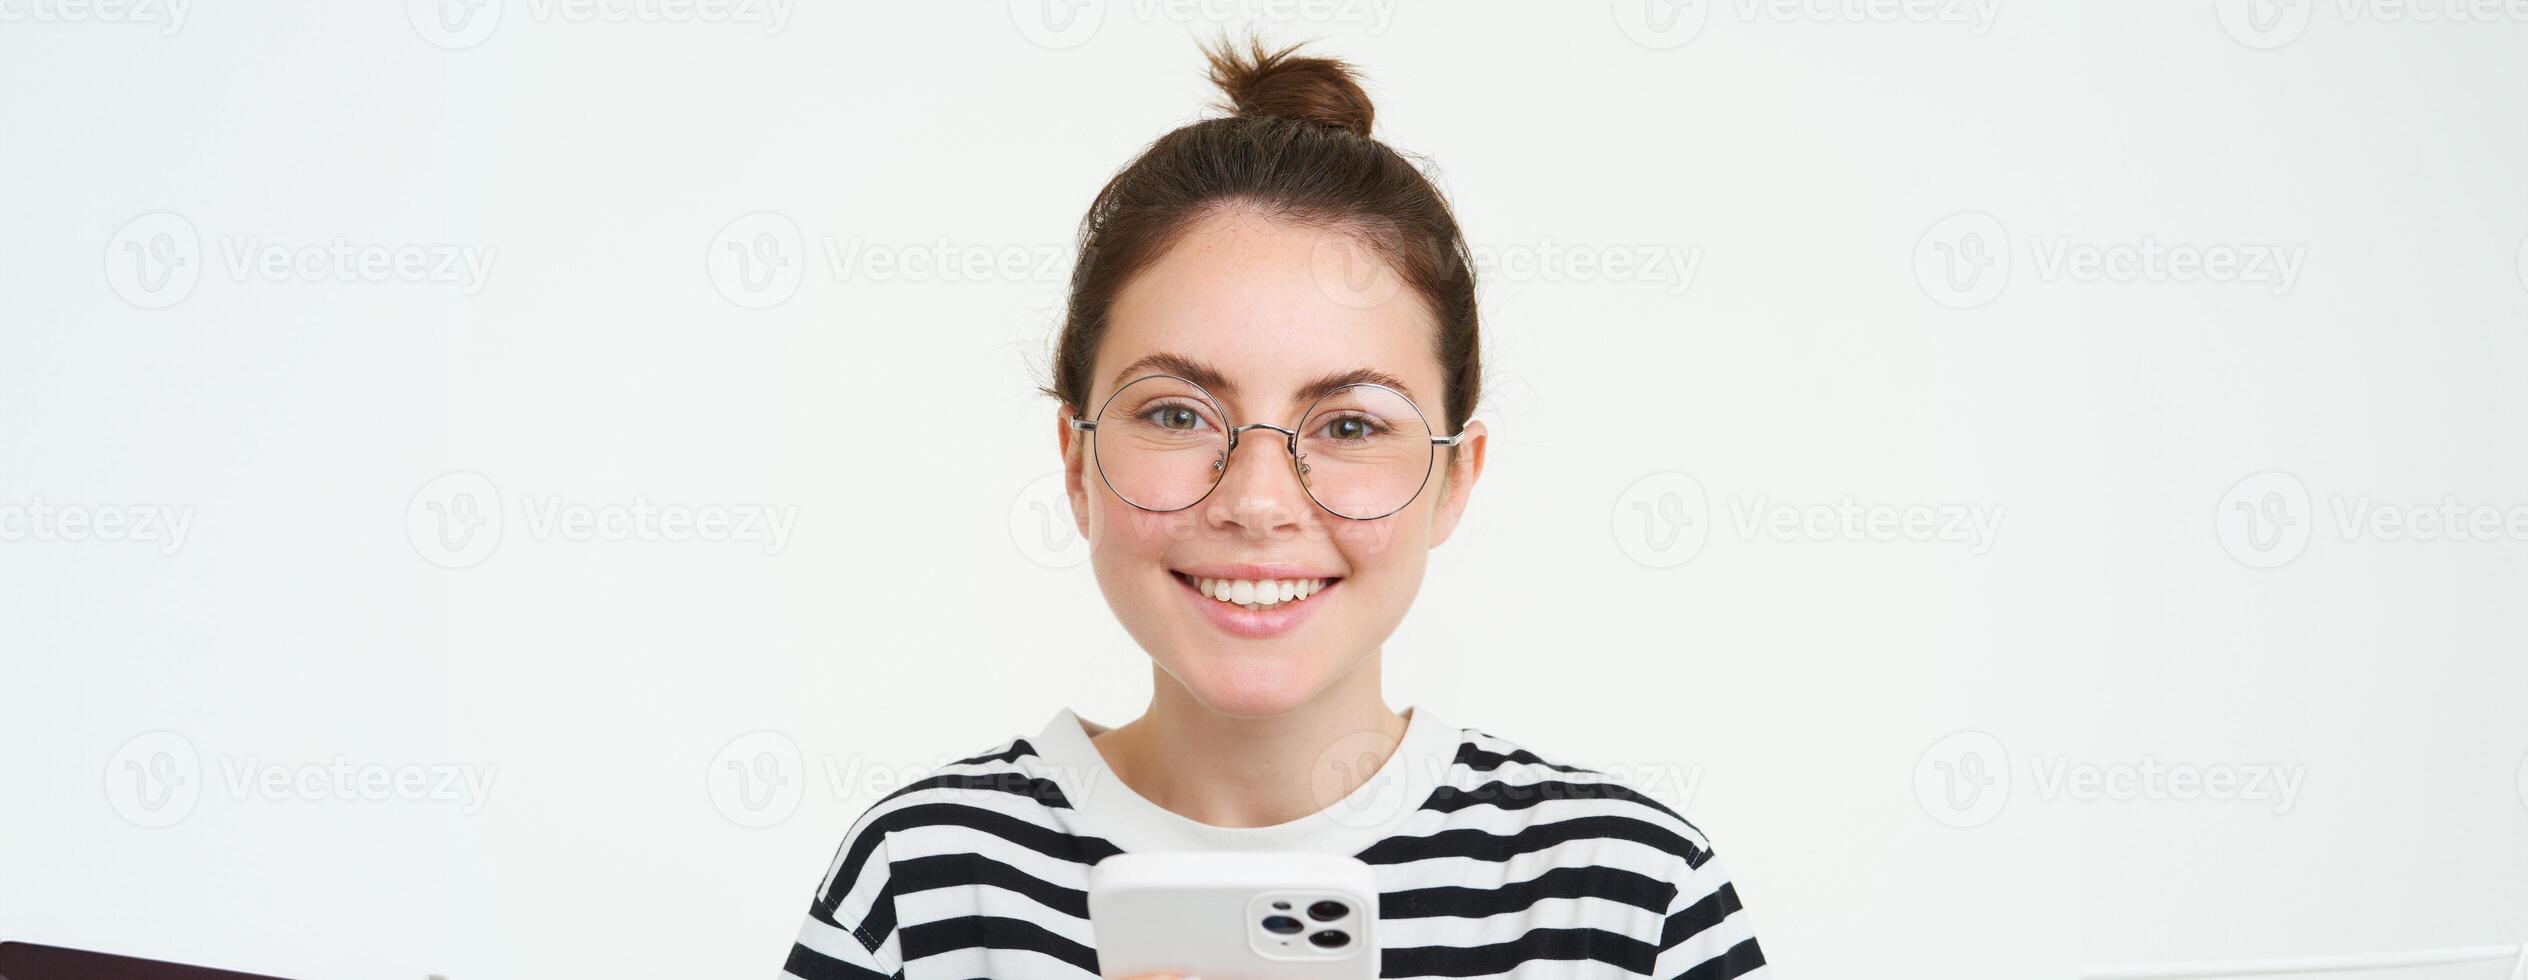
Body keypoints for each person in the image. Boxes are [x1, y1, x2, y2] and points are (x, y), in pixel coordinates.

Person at [780, 36, 1767, 980]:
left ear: (1453, 478)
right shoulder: (920, 880)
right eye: (1176, 413)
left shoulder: (1628, 901)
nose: (1256, 502)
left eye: (1347, 426)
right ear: (1075, 463)